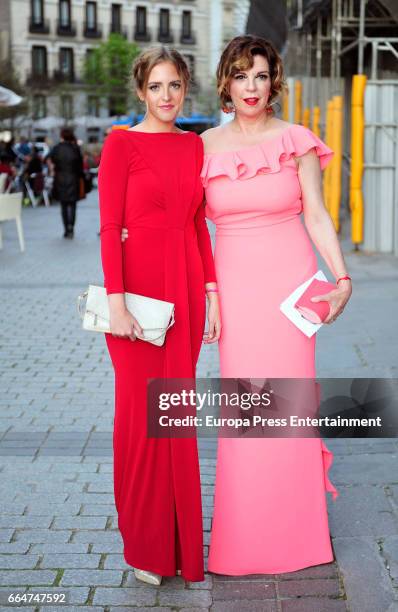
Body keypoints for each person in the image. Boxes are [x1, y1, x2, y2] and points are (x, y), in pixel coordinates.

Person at [198, 35, 352, 575]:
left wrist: (342, 276)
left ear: (274, 81)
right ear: (226, 82)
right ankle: (244, 539)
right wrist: (207, 296)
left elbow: (317, 216)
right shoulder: (204, 147)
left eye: (260, 76)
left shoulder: (297, 140)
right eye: (241, 76)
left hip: (290, 290)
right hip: (235, 289)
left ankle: (299, 536)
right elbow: (191, 229)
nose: (251, 87)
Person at [97, 46, 221, 586]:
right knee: (139, 422)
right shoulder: (120, 143)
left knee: (172, 419)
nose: (166, 97)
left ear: (185, 87)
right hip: (138, 299)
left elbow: (198, 226)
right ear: (140, 90)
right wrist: (117, 302)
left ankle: (179, 549)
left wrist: (212, 293)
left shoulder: (194, 147)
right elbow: (108, 228)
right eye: (156, 87)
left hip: (187, 289)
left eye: (174, 86)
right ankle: (146, 547)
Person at [47, 128, 84, 238]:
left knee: (63, 205)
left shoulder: (57, 148)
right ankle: (71, 227)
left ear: (62, 136)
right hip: (73, 178)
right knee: (73, 205)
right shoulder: (75, 148)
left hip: (60, 178)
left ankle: (66, 229)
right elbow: (80, 165)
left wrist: (53, 169)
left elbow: (49, 159)